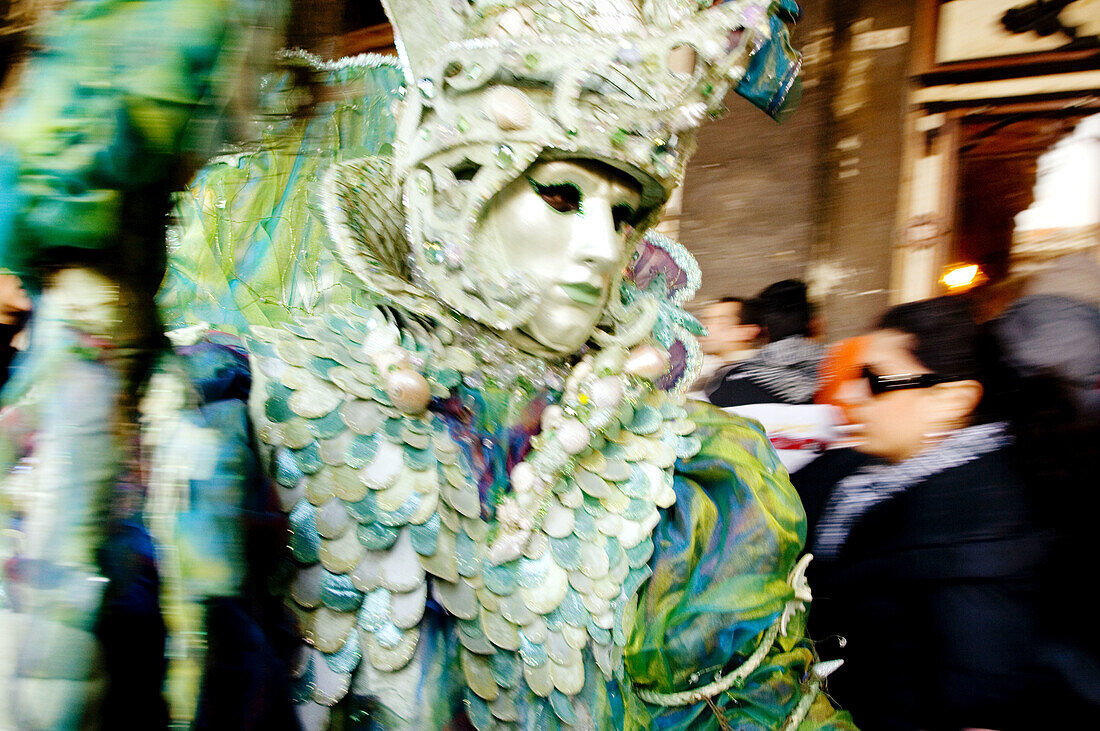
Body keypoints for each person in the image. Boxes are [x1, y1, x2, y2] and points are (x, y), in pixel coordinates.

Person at [4, 2, 859, 730]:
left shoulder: (692, 475)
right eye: (560, 194)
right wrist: (89, 323)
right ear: (449, 181)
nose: (600, 247)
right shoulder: (253, 404)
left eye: (624, 209)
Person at [793, 296, 1097, 730]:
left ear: (952, 400)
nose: (847, 393)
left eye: (875, 380)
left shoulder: (980, 543)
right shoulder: (871, 470)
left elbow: (978, 711)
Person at [706, 279, 823, 407]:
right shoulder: (832, 371)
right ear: (814, 323)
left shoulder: (728, 385)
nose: (706, 328)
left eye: (722, 323)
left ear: (760, 330)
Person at [695, 296, 760, 387]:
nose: (705, 329)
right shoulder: (704, 373)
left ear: (748, 331)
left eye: (722, 323)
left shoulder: (759, 378)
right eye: (706, 321)